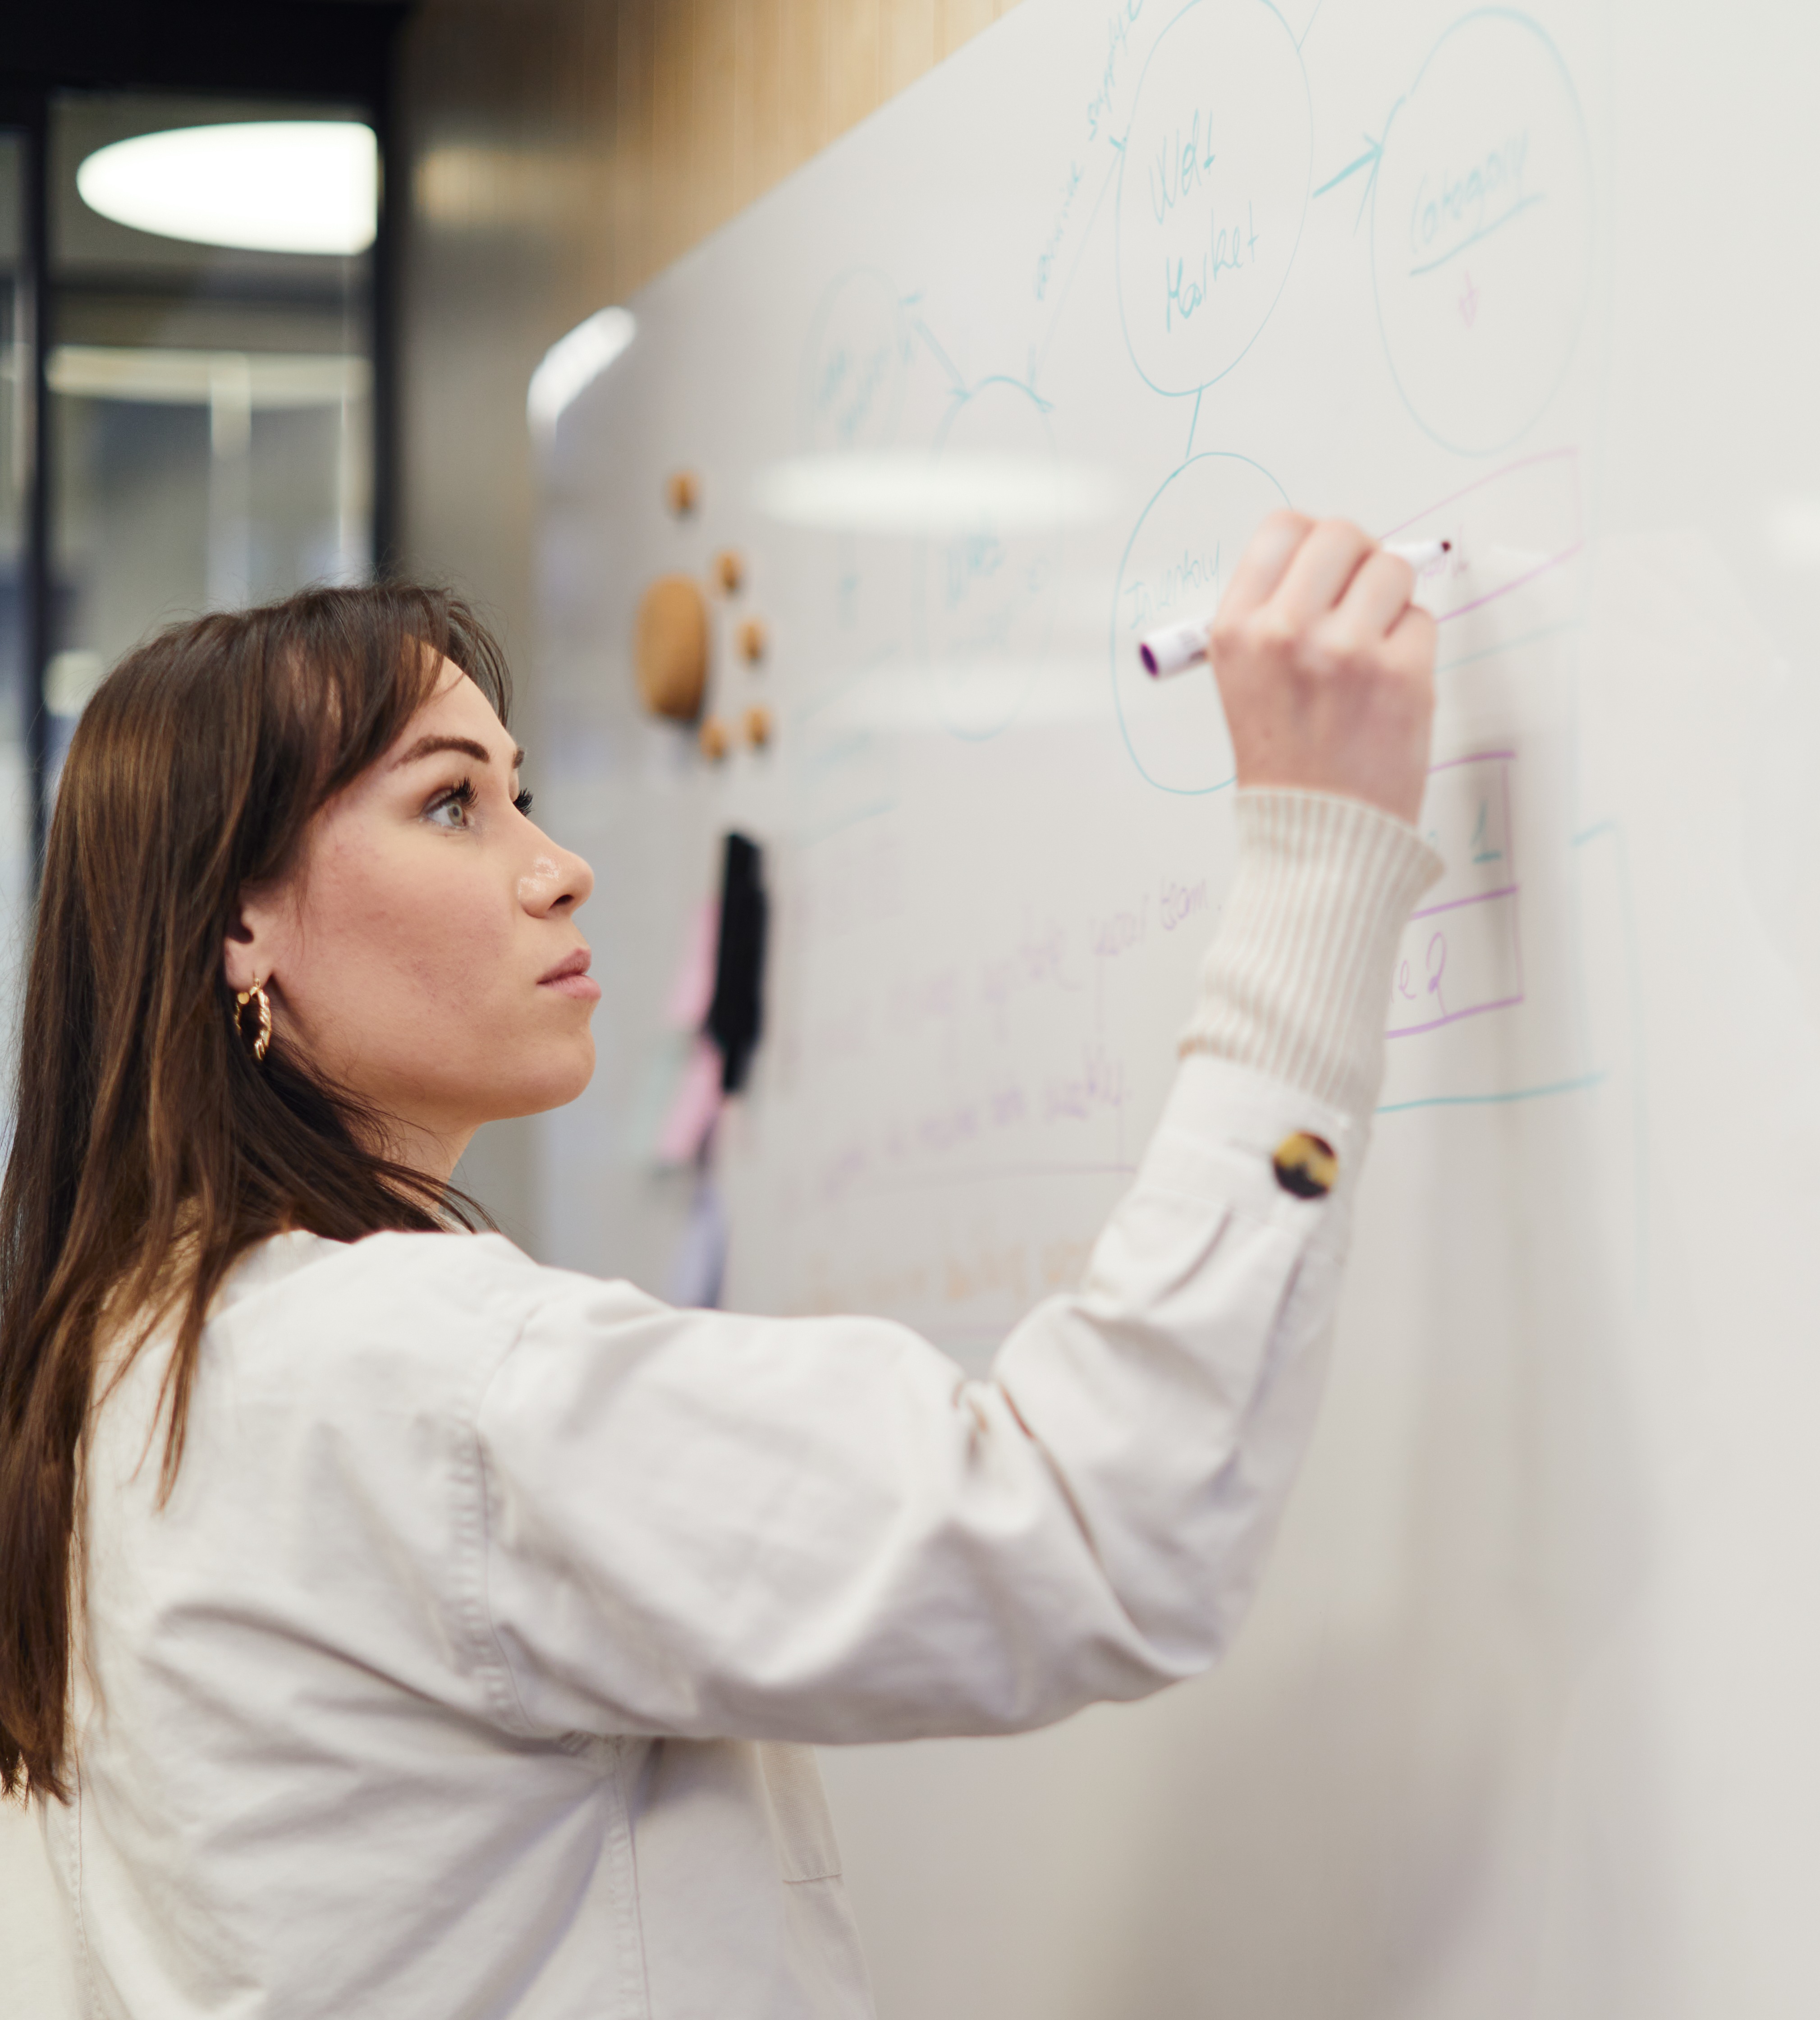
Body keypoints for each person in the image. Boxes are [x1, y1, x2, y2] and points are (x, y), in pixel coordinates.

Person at [0, 512, 1440, 2018]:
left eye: (523, 796)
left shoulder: (102, 1381)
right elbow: (1099, 1525)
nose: (559, 870)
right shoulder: (419, 1377)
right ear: (242, 924)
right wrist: (1317, 862)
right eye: (450, 807)